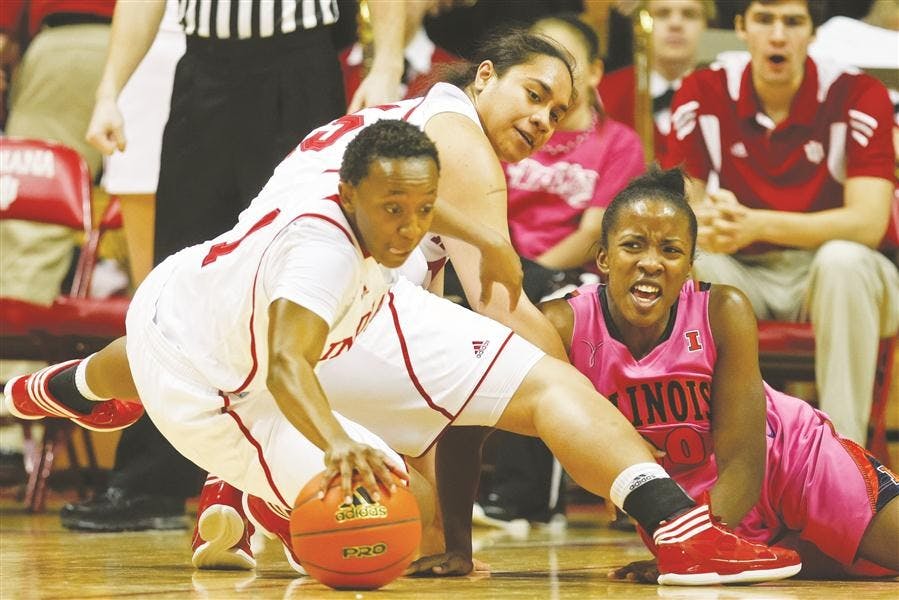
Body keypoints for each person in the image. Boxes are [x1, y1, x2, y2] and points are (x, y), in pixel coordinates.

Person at [6, 31, 802, 586]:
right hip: (240, 362)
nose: (542, 121)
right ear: (482, 78)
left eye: (558, 115)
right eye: (534, 94)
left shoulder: (386, 137)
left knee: (164, 340)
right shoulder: (451, 156)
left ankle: (71, 393)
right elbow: (495, 311)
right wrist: (599, 400)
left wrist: (453, 533)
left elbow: (438, 345)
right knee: (383, 520)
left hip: (224, 302)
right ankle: (251, 494)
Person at [64, 0, 408, 533]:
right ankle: (152, 480)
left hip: (299, 69)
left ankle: (280, 482)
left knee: (299, 271)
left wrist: (385, 62)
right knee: (183, 269)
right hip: (202, 67)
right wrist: (110, 89)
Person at [538, 166, 899, 580]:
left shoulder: (723, 311)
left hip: (792, 464)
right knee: (825, 575)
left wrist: (691, 548)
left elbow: (745, 461)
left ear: (690, 263)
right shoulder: (563, 325)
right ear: (603, 256)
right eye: (633, 246)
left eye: (671, 251)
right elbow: (480, 396)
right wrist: (455, 543)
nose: (651, 263)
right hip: (698, 508)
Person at [666, 0, 899, 446]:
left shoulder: (858, 93)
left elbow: (868, 224)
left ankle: (842, 459)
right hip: (745, 271)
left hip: (836, 278)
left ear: (813, 33)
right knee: (695, 259)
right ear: (741, 28)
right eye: (765, 20)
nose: (778, 35)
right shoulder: (702, 89)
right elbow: (685, 208)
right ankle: (712, 451)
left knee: (843, 261)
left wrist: (758, 225)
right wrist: (709, 221)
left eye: (793, 22)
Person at [475, 12, 646, 530]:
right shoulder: (507, 126)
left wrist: (525, 273)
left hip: (563, 271)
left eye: (568, 61)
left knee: (545, 322)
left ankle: (527, 499)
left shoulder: (618, 143)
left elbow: (595, 233)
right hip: (490, 259)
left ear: (594, 72)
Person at [598, 0, 715, 162]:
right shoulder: (605, 93)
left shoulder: (723, 92)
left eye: (689, 14)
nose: (675, 24)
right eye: (662, 14)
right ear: (638, 24)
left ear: (705, 25)